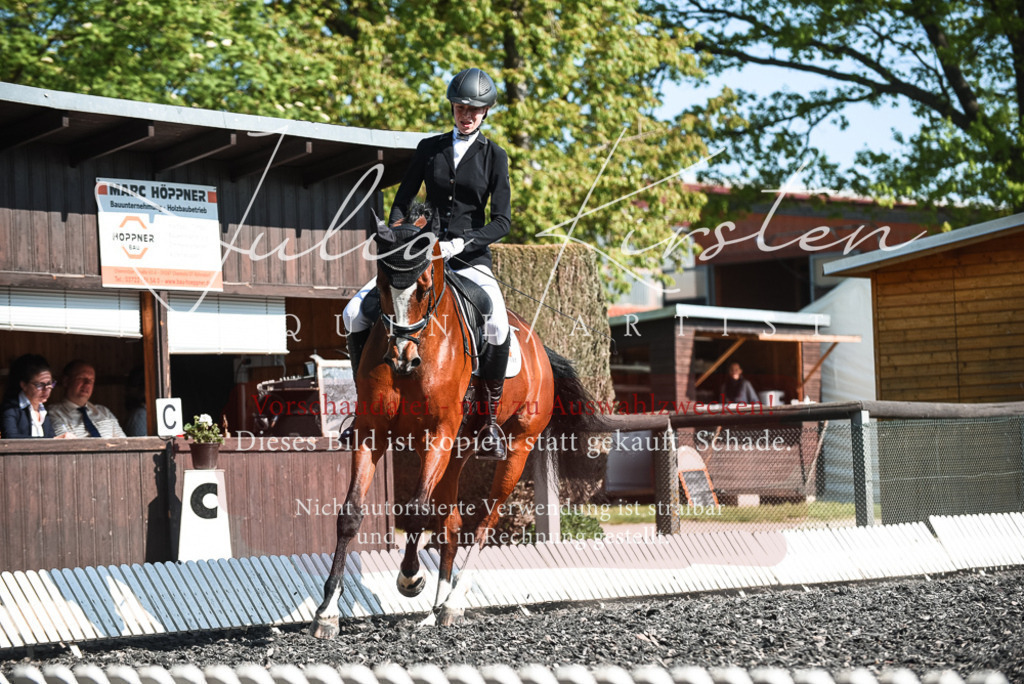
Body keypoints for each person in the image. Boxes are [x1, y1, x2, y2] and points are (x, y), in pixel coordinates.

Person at [342, 67, 512, 460]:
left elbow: (502, 221)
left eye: (474, 109)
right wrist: (400, 239)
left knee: (498, 325)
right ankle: (362, 410)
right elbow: (401, 203)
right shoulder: (429, 148)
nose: (466, 115)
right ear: (452, 108)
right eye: (460, 107)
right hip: (419, 256)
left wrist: (462, 243)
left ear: (485, 112)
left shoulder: (495, 157)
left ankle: (488, 423)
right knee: (353, 314)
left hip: (468, 259)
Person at [48, 360, 127, 438]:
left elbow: (123, 442)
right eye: (81, 378)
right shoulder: (54, 413)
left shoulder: (104, 412)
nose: (87, 384)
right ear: (66, 381)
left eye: (91, 380)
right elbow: (65, 443)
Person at [1, 354, 58, 438]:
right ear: (24, 385)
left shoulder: (42, 409)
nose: (46, 389)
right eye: (40, 385)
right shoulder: (11, 409)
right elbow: (10, 437)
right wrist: (52, 440)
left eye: (49, 384)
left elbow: (51, 437)